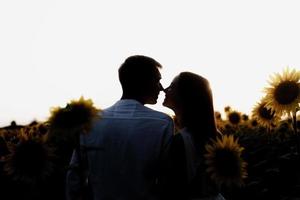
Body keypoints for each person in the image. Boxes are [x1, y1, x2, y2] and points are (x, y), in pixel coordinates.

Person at [66, 55, 174, 200]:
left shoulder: (91, 121)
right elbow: (166, 181)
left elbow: (74, 176)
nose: (161, 88)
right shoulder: (162, 123)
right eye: (157, 80)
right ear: (143, 81)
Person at [162, 72, 225, 200]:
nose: (165, 89)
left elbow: (174, 189)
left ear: (185, 95)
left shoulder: (180, 140)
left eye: (172, 86)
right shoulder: (216, 135)